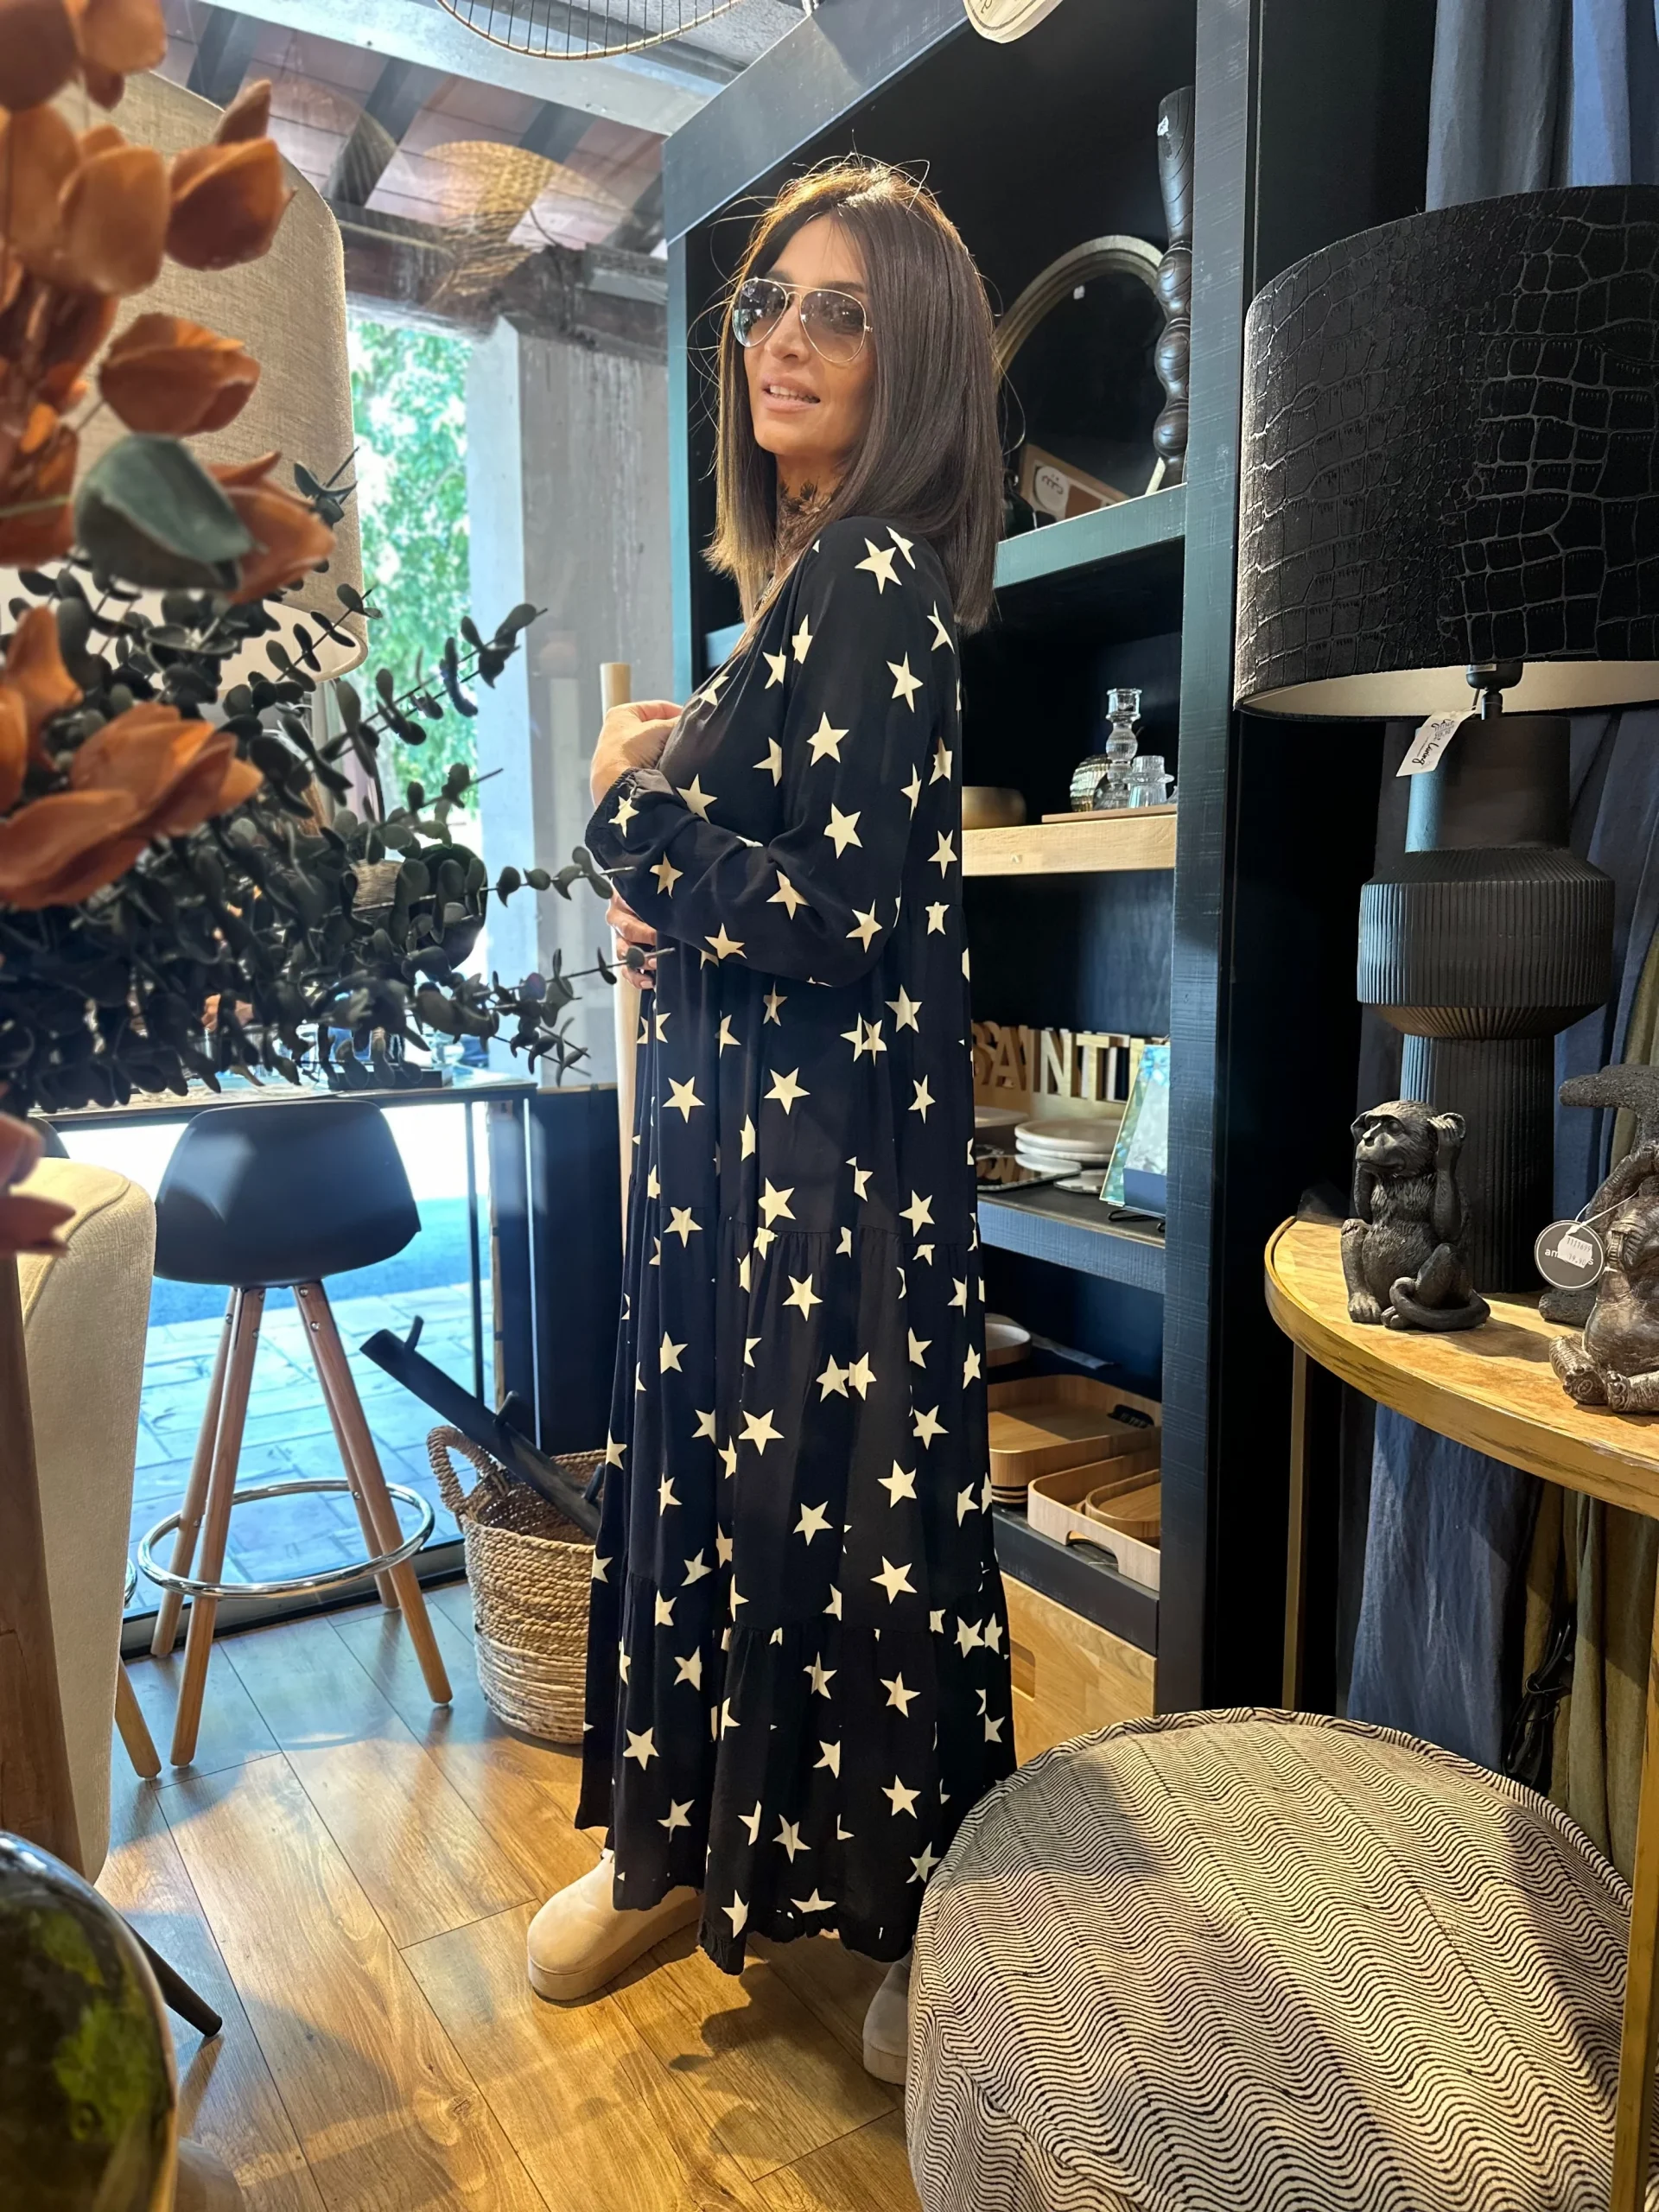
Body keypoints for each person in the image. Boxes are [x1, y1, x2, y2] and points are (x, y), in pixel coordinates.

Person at [526, 158, 1014, 2085]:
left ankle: (919, 1900)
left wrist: (624, 816)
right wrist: (661, 898)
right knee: (720, 1498)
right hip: (728, 1173)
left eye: (839, 312)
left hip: (827, 1181)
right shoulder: (793, 599)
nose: (781, 341)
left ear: (918, 360)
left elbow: (840, 913)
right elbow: (756, 900)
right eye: (765, 306)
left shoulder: (876, 578)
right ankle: (679, 1844)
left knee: (858, 1506)